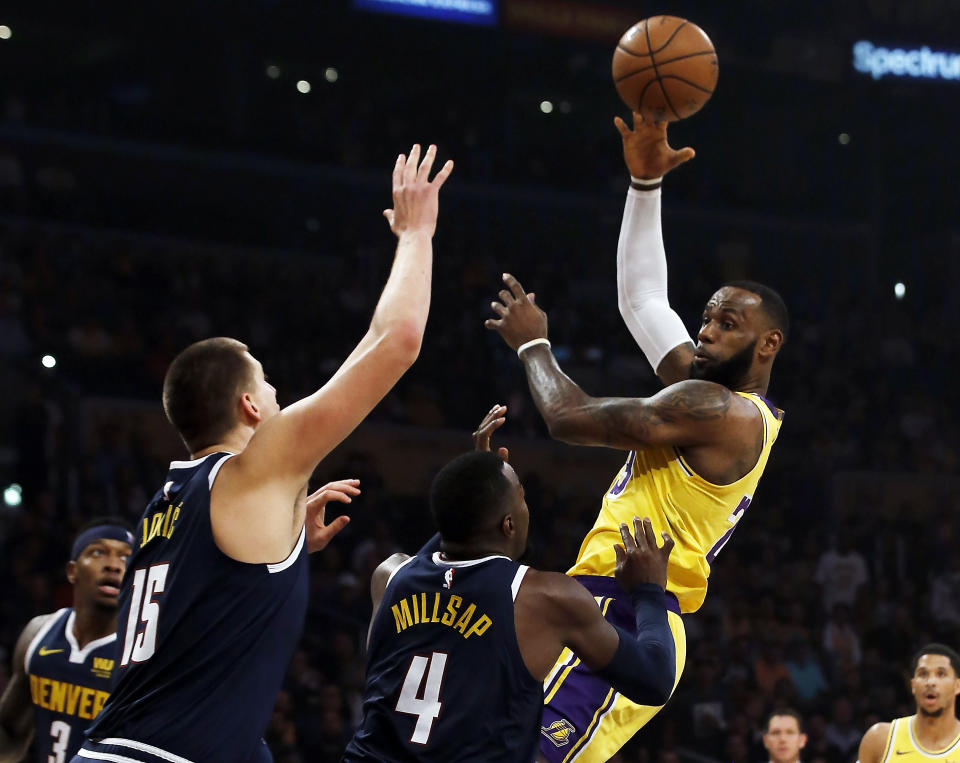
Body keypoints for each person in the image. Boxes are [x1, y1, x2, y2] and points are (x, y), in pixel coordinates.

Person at [71, 144, 454, 763]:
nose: (280, 400)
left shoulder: (167, 505)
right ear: (250, 407)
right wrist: (418, 233)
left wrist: (287, 532)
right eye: (270, 387)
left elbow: (210, 613)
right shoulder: (252, 468)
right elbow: (396, 342)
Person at [484, 112, 787, 763]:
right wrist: (644, 183)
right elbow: (645, 299)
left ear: (768, 343)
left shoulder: (718, 409)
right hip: (591, 599)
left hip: (633, 613)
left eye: (725, 323)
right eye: (705, 318)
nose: (704, 331)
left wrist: (534, 343)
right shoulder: (711, 395)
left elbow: (567, 417)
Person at [343, 448, 677, 762]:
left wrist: (470, 492)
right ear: (509, 524)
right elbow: (655, 680)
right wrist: (649, 591)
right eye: (522, 497)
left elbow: (438, 554)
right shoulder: (543, 598)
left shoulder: (389, 575)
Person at [0, 518, 133, 763]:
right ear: (72, 571)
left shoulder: (140, 653)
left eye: (126, 557)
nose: (114, 565)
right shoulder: (38, 633)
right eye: (99, 552)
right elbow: (10, 731)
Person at [858, 643, 960, 762]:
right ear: (913, 685)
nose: (931, 682)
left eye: (941, 674)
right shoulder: (879, 739)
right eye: (923, 674)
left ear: (957, 686)